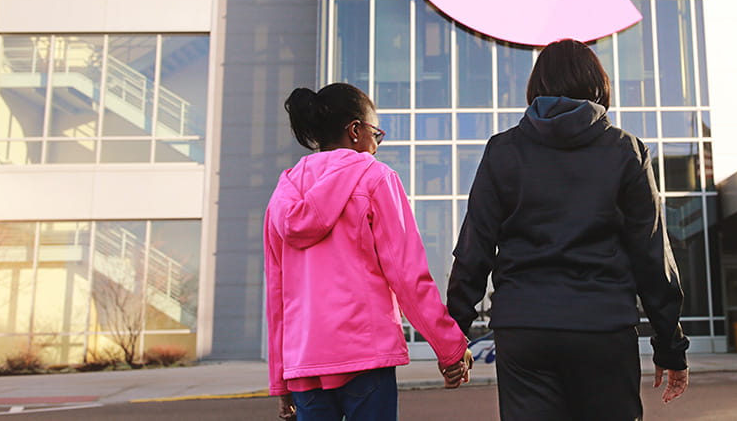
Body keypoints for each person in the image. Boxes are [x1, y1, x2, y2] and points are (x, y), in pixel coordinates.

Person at [447, 39, 691, 421]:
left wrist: (454, 334)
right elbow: (651, 255)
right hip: (602, 327)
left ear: (537, 86)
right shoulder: (626, 151)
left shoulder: (502, 151)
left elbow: (474, 249)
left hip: (524, 328)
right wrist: (670, 347)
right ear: (598, 83)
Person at [264, 83, 473, 421]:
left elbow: (277, 296)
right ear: (356, 131)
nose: (376, 145)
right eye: (377, 133)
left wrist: (281, 381)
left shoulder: (282, 196)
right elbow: (407, 275)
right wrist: (449, 346)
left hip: (306, 365)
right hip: (366, 356)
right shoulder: (376, 179)